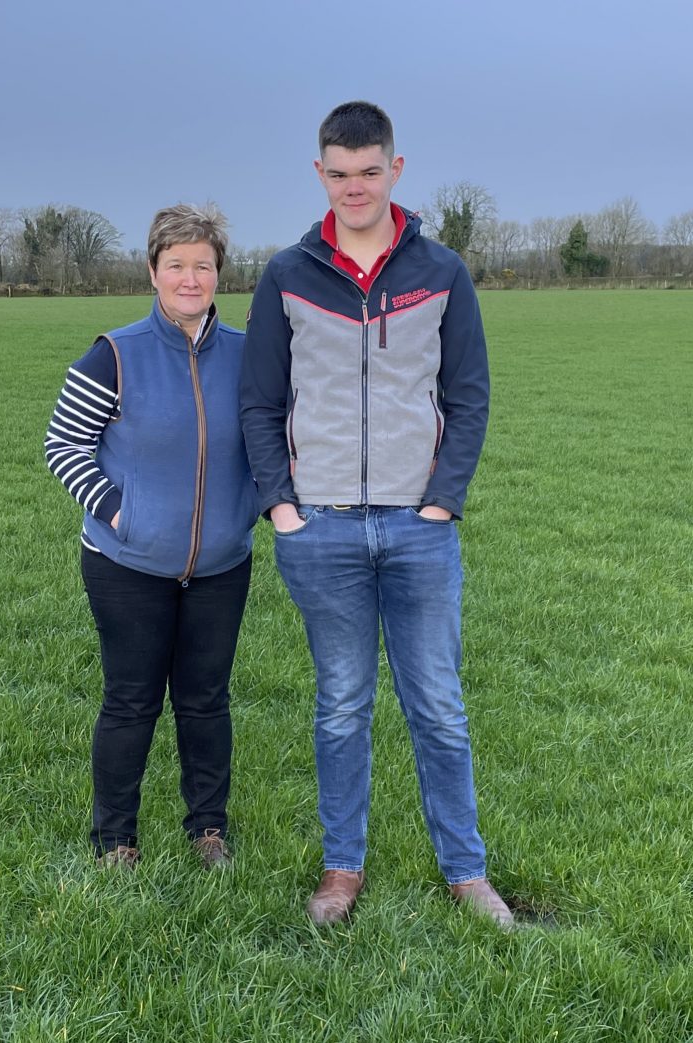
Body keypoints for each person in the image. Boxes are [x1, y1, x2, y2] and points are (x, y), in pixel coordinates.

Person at [240, 102, 513, 927]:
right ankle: (341, 868)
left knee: (438, 703)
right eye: (338, 172)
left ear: (395, 171)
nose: (353, 186)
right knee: (341, 704)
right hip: (319, 526)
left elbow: (467, 397)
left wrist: (442, 500)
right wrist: (281, 507)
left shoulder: (444, 271)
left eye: (368, 171)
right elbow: (260, 402)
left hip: (417, 530)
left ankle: (466, 870)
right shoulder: (288, 275)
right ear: (319, 175)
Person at [45, 203, 258, 869]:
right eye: (176, 265)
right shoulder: (114, 354)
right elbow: (64, 443)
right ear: (153, 271)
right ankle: (116, 838)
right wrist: (119, 510)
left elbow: (276, 441)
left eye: (202, 265)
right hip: (127, 563)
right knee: (131, 701)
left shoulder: (251, 356)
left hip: (221, 565)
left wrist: (248, 507)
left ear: (219, 272)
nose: (190, 278)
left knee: (205, 701)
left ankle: (208, 829)